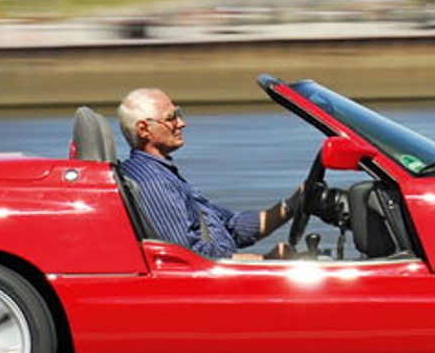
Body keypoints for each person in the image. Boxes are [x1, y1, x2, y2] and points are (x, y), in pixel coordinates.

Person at [117, 87, 305, 259]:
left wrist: (292, 205)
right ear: (144, 130)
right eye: (171, 118)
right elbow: (187, 258)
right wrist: (265, 261)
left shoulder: (162, 173)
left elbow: (232, 226)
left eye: (179, 114)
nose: (182, 123)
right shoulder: (153, 182)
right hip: (209, 280)